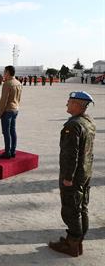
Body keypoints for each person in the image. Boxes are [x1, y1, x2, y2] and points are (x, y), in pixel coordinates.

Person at [48, 91, 96, 257]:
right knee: (82, 207)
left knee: (70, 209)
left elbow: (71, 154)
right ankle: (76, 241)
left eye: (69, 102)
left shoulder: (73, 125)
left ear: (77, 104)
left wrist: (68, 177)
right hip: (86, 171)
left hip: (74, 175)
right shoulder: (88, 121)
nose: (66, 104)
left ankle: (72, 244)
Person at [0, 65, 22, 159]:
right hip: (15, 109)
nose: (4, 74)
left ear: (7, 72)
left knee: (6, 132)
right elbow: (19, 98)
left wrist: (0, 113)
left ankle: (7, 152)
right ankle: (13, 151)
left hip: (7, 110)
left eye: (4, 72)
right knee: (13, 130)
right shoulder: (18, 83)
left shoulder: (7, 83)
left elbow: (3, 100)